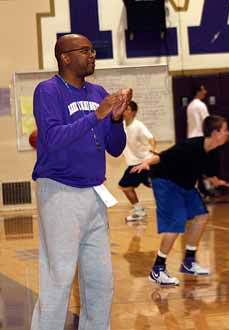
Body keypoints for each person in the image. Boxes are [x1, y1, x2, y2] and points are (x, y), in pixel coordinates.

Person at [30, 34, 132, 330]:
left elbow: (115, 147)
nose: (92, 55)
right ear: (65, 57)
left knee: (100, 282)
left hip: (94, 193)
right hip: (60, 192)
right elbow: (52, 139)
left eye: (92, 50)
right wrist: (96, 115)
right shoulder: (48, 91)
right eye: (85, 50)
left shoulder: (98, 91)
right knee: (58, 278)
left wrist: (114, 119)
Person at [131, 115, 229, 285]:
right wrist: (147, 162)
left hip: (185, 184)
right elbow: (162, 156)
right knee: (176, 222)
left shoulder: (213, 153)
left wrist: (218, 182)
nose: (228, 133)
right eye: (225, 130)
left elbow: (209, 173)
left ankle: (189, 262)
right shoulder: (190, 146)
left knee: (201, 215)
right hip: (165, 181)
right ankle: (157, 269)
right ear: (215, 133)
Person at [119, 100, 157, 221]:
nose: (124, 111)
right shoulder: (122, 126)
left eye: (127, 109)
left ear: (134, 112)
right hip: (134, 164)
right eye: (124, 108)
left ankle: (181, 204)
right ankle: (139, 211)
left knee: (159, 185)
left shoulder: (138, 125)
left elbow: (151, 139)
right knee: (125, 186)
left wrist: (153, 150)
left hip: (144, 163)